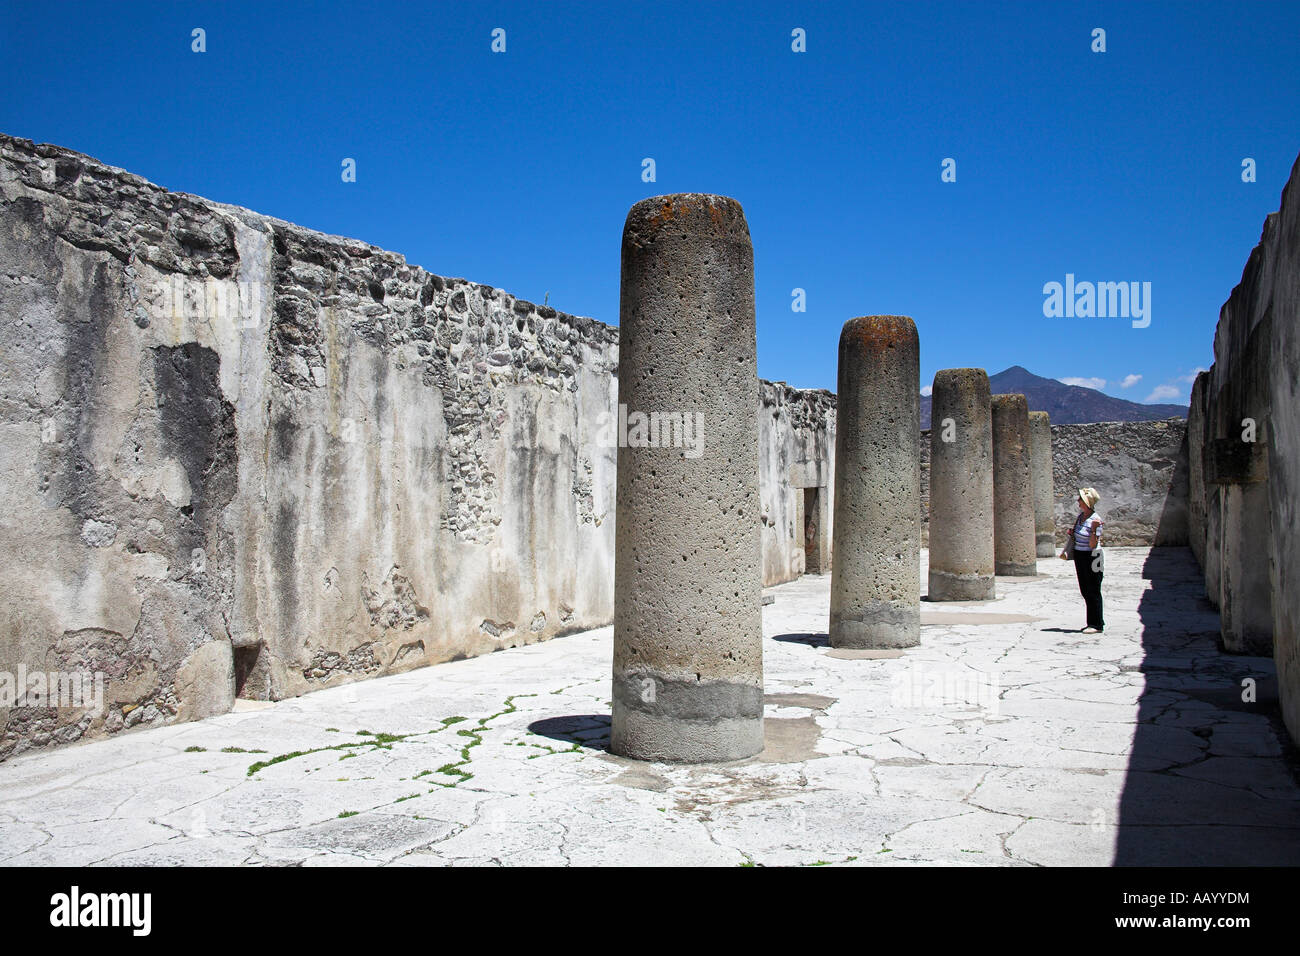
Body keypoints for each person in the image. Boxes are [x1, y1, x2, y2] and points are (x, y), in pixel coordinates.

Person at [1060, 487, 1104, 633]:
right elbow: (1077, 534)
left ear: (1086, 502)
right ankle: (1091, 622)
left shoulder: (1095, 520)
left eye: (1080, 499)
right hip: (1080, 555)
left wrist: (1093, 529)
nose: (1078, 501)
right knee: (1085, 590)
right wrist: (1072, 533)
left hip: (1092, 557)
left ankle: (1096, 624)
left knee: (1093, 590)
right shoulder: (1081, 517)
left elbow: (1093, 544)